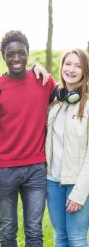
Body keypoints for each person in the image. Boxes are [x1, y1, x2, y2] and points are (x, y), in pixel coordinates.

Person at [0, 30, 56, 247]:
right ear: (3, 55)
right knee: (7, 230)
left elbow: (65, 99)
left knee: (34, 231)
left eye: (21, 53)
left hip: (36, 169)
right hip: (3, 170)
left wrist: (40, 69)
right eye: (10, 54)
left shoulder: (44, 82)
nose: (16, 59)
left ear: (28, 53)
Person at [46, 49, 89, 246]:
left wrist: (80, 192)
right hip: (52, 182)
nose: (71, 69)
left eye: (78, 66)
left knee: (77, 239)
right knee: (60, 238)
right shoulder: (55, 103)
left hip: (78, 184)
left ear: (84, 72)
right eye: (68, 64)